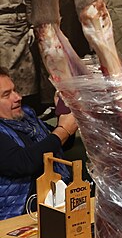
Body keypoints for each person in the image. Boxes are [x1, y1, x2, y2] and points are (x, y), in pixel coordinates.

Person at [0, 66, 78, 220]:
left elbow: (59, 144)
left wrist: (63, 112)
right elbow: (23, 162)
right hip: (18, 215)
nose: (18, 97)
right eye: (6, 95)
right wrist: (63, 130)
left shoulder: (26, 118)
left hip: (54, 203)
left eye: (15, 90)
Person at [0, 0, 38, 104]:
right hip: (3, 26)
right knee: (7, 68)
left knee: (26, 71)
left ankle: (25, 103)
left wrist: (31, 25)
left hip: (21, 24)